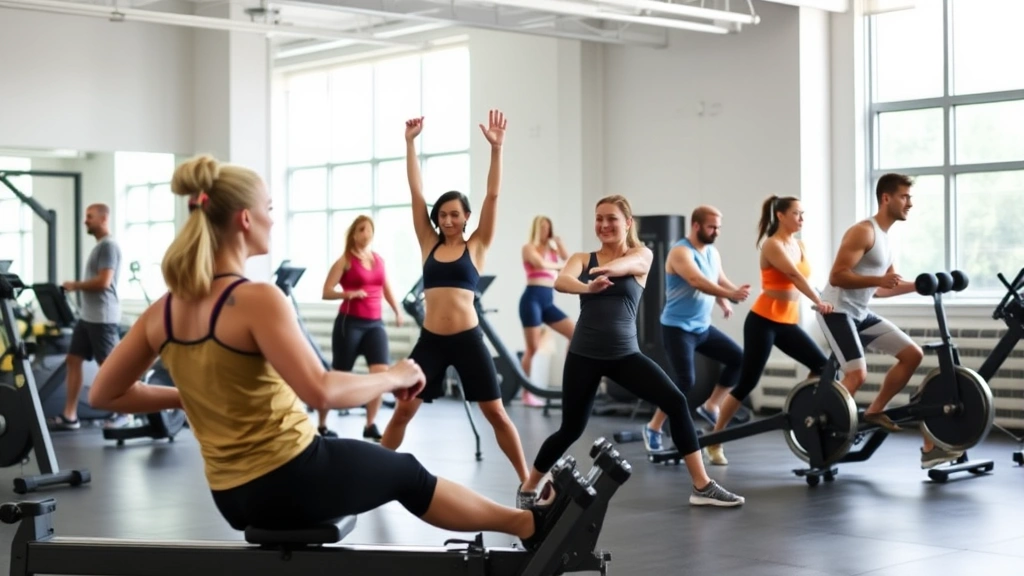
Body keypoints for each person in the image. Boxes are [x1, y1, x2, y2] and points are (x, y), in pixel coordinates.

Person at [87, 154, 556, 548]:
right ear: (246, 219)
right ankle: (529, 526)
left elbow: (104, 394)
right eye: (269, 207)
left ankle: (525, 516)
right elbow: (323, 391)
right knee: (409, 474)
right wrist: (393, 375)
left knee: (386, 461)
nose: (273, 216)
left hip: (230, 496)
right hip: (292, 476)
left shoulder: (163, 309)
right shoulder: (256, 298)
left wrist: (188, 395)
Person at [518, 195, 745, 509]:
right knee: (571, 428)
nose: (604, 225)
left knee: (676, 402)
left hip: (624, 355)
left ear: (628, 223)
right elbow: (561, 281)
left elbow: (632, 264)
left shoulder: (643, 254)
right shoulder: (584, 259)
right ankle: (528, 487)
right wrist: (588, 286)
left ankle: (702, 485)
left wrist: (606, 270)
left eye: (612, 218)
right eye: (599, 218)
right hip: (584, 355)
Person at [382, 111, 532, 501]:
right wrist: (410, 144)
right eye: (443, 214)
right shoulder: (428, 243)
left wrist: (497, 149)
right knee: (403, 410)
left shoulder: (477, 245)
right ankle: (374, 476)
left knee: (496, 413)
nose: (448, 219)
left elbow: (493, 195)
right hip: (430, 342)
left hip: (468, 340)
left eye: (455, 214)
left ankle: (528, 480)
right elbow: (416, 193)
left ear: (466, 218)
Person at [818, 173, 961, 469]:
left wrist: (924, 284)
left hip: (860, 313)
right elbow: (837, 276)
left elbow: (884, 288)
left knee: (912, 354)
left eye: (909, 197)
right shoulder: (863, 231)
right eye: (904, 196)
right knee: (857, 375)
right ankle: (823, 426)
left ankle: (874, 410)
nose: (910, 202)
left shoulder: (885, 239)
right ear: (886, 198)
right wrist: (878, 278)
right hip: (837, 311)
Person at [704, 196, 834, 466]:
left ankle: (802, 407)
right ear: (780, 215)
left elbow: (808, 278)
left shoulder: (799, 244)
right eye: (797, 213)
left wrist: (826, 297)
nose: (801, 218)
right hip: (763, 321)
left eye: (803, 214)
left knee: (822, 367)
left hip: (787, 323)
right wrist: (819, 302)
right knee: (748, 382)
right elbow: (795, 277)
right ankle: (714, 440)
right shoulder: (772, 245)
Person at [642, 206, 749, 453]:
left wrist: (728, 298)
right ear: (696, 226)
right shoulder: (680, 252)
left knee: (738, 358)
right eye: (712, 227)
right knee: (685, 381)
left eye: (719, 227)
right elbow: (697, 280)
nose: (716, 232)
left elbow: (717, 279)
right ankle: (654, 427)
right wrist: (729, 294)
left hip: (702, 327)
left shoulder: (712, 252)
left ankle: (711, 406)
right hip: (677, 328)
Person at [318, 215, 402, 441]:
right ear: (354, 235)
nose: (366, 234)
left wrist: (397, 310)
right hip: (350, 323)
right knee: (338, 373)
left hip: (375, 324)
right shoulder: (344, 261)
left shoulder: (378, 260)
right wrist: (348, 294)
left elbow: (386, 288)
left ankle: (370, 424)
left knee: (380, 373)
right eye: (361, 230)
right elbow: (326, 291)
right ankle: (323, 424)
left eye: (369, 230)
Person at [54, 202, 124, 430]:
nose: (86, 220)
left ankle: (125, 413)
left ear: (104, 219)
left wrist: (75, 285)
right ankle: (70, 416)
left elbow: (104, 282)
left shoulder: (108, 247)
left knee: (111, 367)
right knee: (73, 360)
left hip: (102, 317)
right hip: (87, 317)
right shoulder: (100, 246)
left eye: (90, 216)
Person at [519, 215, 575, 407]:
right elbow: (541, 265)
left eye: (548, 228)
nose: (545, 231)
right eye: (542, 227)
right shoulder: (528, 248)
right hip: (531, 299)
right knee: (532, 348)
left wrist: (560, 246)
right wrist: (561, 264)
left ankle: (570, 383)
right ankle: (527, 393)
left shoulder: (552, 250)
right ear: (536, 229)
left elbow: (570, 263)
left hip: (548, 302)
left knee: (575, 334)